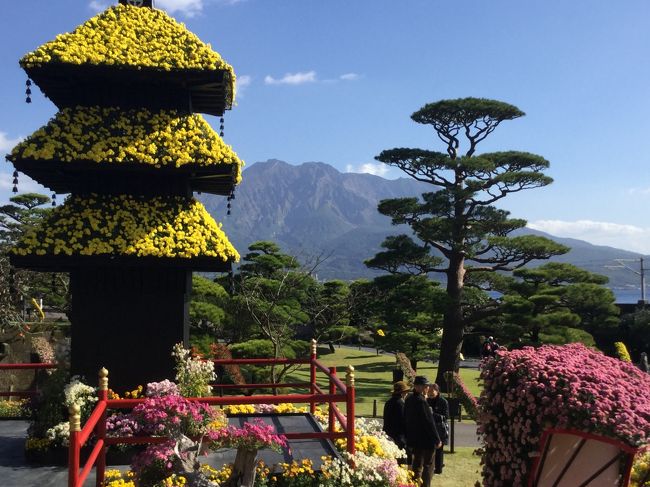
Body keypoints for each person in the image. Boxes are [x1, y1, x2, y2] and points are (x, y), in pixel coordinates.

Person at [404, 376, 442, 487]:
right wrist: (437, 439)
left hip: (414, 438)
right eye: (426, 386)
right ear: (420, 387)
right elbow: (429, 422)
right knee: (428, 465)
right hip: (426, 439)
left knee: (416, 464)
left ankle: (414, 484)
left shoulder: (409, 399)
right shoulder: (421, 402)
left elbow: (406, 418)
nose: (427, 388)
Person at [426, 383, 449, 475]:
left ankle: (438, 469)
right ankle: (429, 467)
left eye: (432, 391)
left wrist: (433, 414)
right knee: (429, 449)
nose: (430, 393)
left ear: (437, 391)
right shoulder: (426, 400)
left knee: (439, 449)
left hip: (440, 429)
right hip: (428, 428)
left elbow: (446, 416)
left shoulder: (443, 401)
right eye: (428, 391)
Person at [382, 380, 409, 450]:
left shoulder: (388, 402)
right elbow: (404, 420)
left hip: (388, 434)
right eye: (406, 392)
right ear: (402, 393)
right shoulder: (401, 403)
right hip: (399, 436)